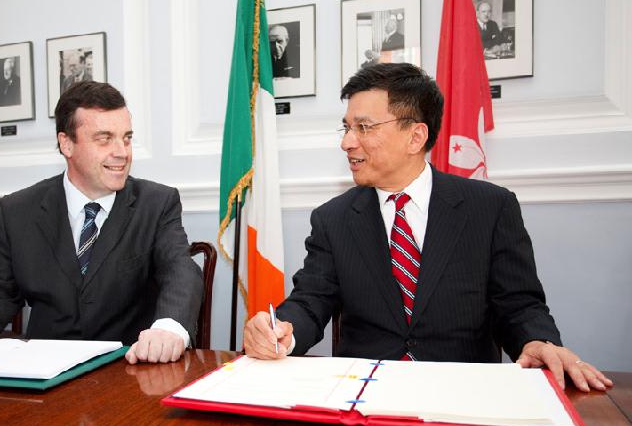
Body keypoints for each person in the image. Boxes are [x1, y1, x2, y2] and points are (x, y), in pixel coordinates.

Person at [243, 63, 612, 393]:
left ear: (415, 137)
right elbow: (310, 302)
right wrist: (281, 332)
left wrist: (538, 340)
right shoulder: (333, 219)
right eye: (346, 127)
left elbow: (519, 306)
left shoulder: (490, 208)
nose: (346, 142)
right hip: (366, 400)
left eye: (364, 127)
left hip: (465, 399)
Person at [0, 81, 204, 364]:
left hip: (127, 371)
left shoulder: (156, 203)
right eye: (105, 138)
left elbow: (179, 270)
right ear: (67, 144)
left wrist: (168, 329)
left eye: (126, 138)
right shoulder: (15, 211)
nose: (122, 152)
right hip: (42, 379)